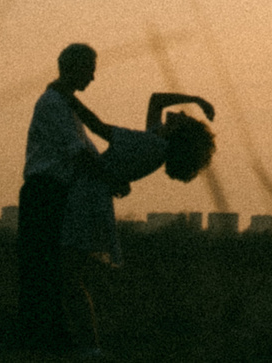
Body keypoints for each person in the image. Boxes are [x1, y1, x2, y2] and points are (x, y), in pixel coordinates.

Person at [59, 91, 216, 355]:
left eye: (183, 118)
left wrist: (68, 98)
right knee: (68, 274)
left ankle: (89, 346)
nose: (178, 113)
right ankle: (84, 343)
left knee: (68, 275)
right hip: (89, 196)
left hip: (87, 200)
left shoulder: (151, 145)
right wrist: (198, 99)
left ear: (179, 134)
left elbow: (99, 128)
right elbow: (156, 100)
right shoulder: (154, 140)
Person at [18, 43, 109, 350]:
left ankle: (49, 338)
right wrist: (112, 178)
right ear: (76, 68)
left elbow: (85, 149)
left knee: (48, 268)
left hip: (55, 192)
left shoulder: (62, 104)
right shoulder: (54, 105)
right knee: (44, 268)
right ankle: (45, 338)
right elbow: (80, 153)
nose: (93, 77)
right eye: (90, 69)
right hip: (46, 192)